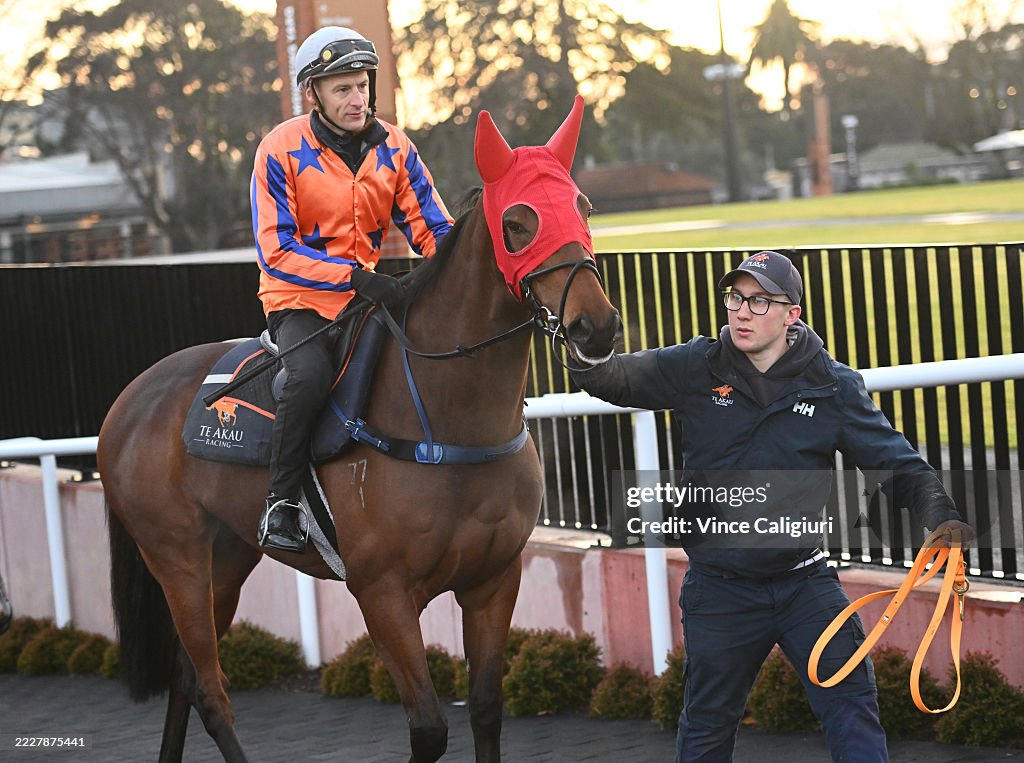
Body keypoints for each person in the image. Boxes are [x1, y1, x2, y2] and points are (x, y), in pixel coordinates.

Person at [570, 251, 974, 762]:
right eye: (735, 298)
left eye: (759, 301)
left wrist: (941, 514)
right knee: (707, 727)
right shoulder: (696, 364)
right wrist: (581, 336)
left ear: (792, 315)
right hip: (720, 590)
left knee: (853, 706)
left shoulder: (832, 385)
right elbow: (611, 379)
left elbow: (897, 465)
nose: (740, 311)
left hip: (806, 584)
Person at [250, 26, 453, 553]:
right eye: (342, 89)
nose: (356, 99)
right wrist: (357, 278)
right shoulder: (278, 149)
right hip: (299, 301)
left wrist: (471, 260)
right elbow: (276, 250)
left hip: (367, 299)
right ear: (312, 93)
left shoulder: (397, 146)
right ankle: (282, 502)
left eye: (361, 86)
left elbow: (432, 228)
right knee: (312, 373)